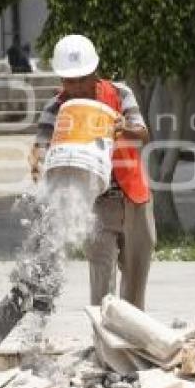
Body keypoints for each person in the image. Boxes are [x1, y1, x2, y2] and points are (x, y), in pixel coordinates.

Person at [28, 34, 156, 309]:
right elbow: (40, 146)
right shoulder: (56, 107)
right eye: (67, 81)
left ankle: (131, 342)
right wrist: (38, 160)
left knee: (136, 278)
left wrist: (125, 126)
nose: (74, 87)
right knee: (102, 282)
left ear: (95, 72)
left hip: (133, 196)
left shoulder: (120, 94)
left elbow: (143, 134)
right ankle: (103, 343)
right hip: (95, 204)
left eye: (80, 79)